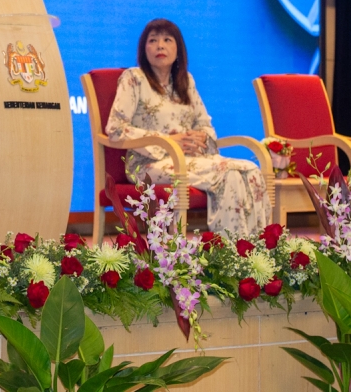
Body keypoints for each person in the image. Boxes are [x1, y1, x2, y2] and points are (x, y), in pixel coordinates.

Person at [106, 19, 271, 234]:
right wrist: (169, 142)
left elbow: (204, 124)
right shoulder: (133, 79)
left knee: (249, 170)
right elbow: (116, 129)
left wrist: (199, 140)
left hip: (189, 160)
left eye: (167, 40)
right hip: (147, 165)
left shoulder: (186, 81)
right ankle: (228, 250)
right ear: (143, 48)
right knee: (230, 173)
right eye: (153, 40)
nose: (160, 46)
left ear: (178, 49)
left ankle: (254, 249)